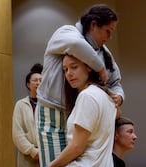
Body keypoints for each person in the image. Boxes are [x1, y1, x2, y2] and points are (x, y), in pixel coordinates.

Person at [36, 3, 124, 167]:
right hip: (54, 111)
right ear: (93, 25)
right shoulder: (67, 32)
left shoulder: (103, 54)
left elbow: (115, 83)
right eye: (108, 31)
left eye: (74, 67)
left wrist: (119, 96)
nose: (110, 37)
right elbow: (77, 46)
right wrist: (100, 67)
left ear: (87, 68)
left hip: (80, 110)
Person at [48, 54, 117, 167]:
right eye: (65, 70)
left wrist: (50, 166)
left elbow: (76, 147)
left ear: (89, 67)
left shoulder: (87, 96)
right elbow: (118, 113)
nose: (69, 73)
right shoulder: (106, 96)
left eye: (74, 67)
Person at [12, 63, 43, 167]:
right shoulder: (20, 104)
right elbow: (17, 134)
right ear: (28, 84)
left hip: (46, 154)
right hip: (27, 156)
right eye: (35, 80)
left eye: (41, 80)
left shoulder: (48, 105)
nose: (38, 83)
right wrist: (32, 151)